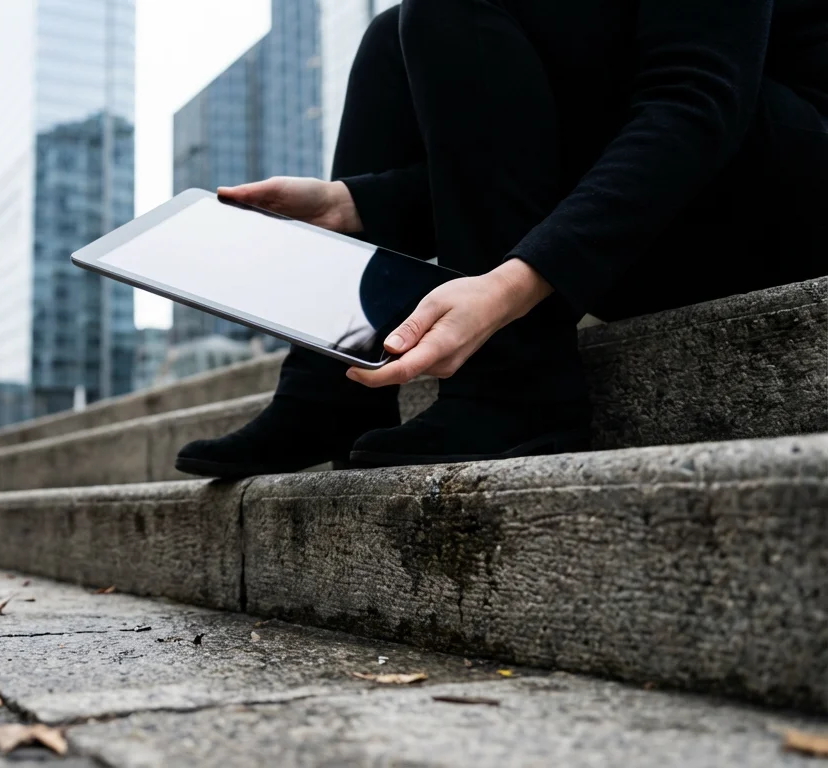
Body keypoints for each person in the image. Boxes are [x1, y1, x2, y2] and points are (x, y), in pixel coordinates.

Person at [178, 0, 828, 477]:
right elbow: (537, 145)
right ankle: (330, 389)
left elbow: (694, 104)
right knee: (391, 34)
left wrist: (508, 290)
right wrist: (359, 204)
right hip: (662, 221)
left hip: (782, 213)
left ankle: (516, 382)